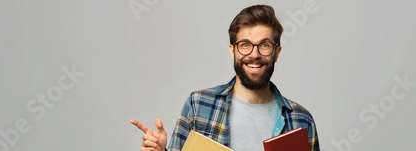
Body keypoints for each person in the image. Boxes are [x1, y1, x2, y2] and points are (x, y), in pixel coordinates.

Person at [130, 4, 320, 151]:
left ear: (277, 52)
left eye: (265, 45)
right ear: (233, 51)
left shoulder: (301, 121)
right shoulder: (198, 105)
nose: (254, 54)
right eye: (245, 45)